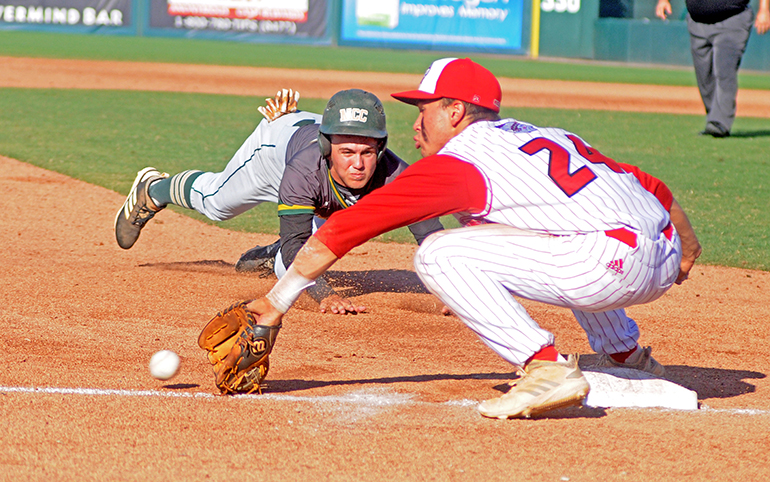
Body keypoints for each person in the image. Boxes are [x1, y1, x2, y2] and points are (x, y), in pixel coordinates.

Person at [232, 58, 703, 420]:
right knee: (557, 228)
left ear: (455, 111)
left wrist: (276, 302)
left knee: (436, 255)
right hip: (661, 249)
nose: (415, 125)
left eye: (424, 110)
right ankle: (627, 354)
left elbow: (344, 229)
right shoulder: (545, 136)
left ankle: (545, 367)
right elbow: (649, 185)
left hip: (606, 266)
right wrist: (688, 248)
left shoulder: (461, 161)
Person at [114, 88, 442, 314]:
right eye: (347, 152)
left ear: (380, 149)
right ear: (329, 149)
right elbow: (296, 250)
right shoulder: (303, 171)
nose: (358, 163)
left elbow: (430, 235)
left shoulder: (396, 174)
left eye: (367, 151)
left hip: (318, 149)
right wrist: (324, 295)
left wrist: (448, 288)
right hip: (275, 150)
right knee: (217, 204)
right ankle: (154, 189)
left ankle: (268, 257)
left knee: (321, 240)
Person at [656, 0, 770, 137]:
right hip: (697, 21)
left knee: (725, 71)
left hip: (732, 18)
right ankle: (714, 118)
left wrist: (764, 10)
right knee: (704, 74)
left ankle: (719, 123)